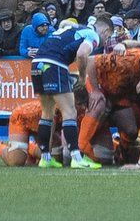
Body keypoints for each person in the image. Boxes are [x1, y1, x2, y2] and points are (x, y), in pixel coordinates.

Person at [28, 14, 107, 168]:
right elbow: (82, 54)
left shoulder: (72, 28)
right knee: (70, 111)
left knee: (47, 112)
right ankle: (77, 159)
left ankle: (45, 158)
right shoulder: (93, 35)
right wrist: (83, 77)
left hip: (37, 63)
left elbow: (64, 28)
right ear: (105, 31)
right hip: (54, 63)